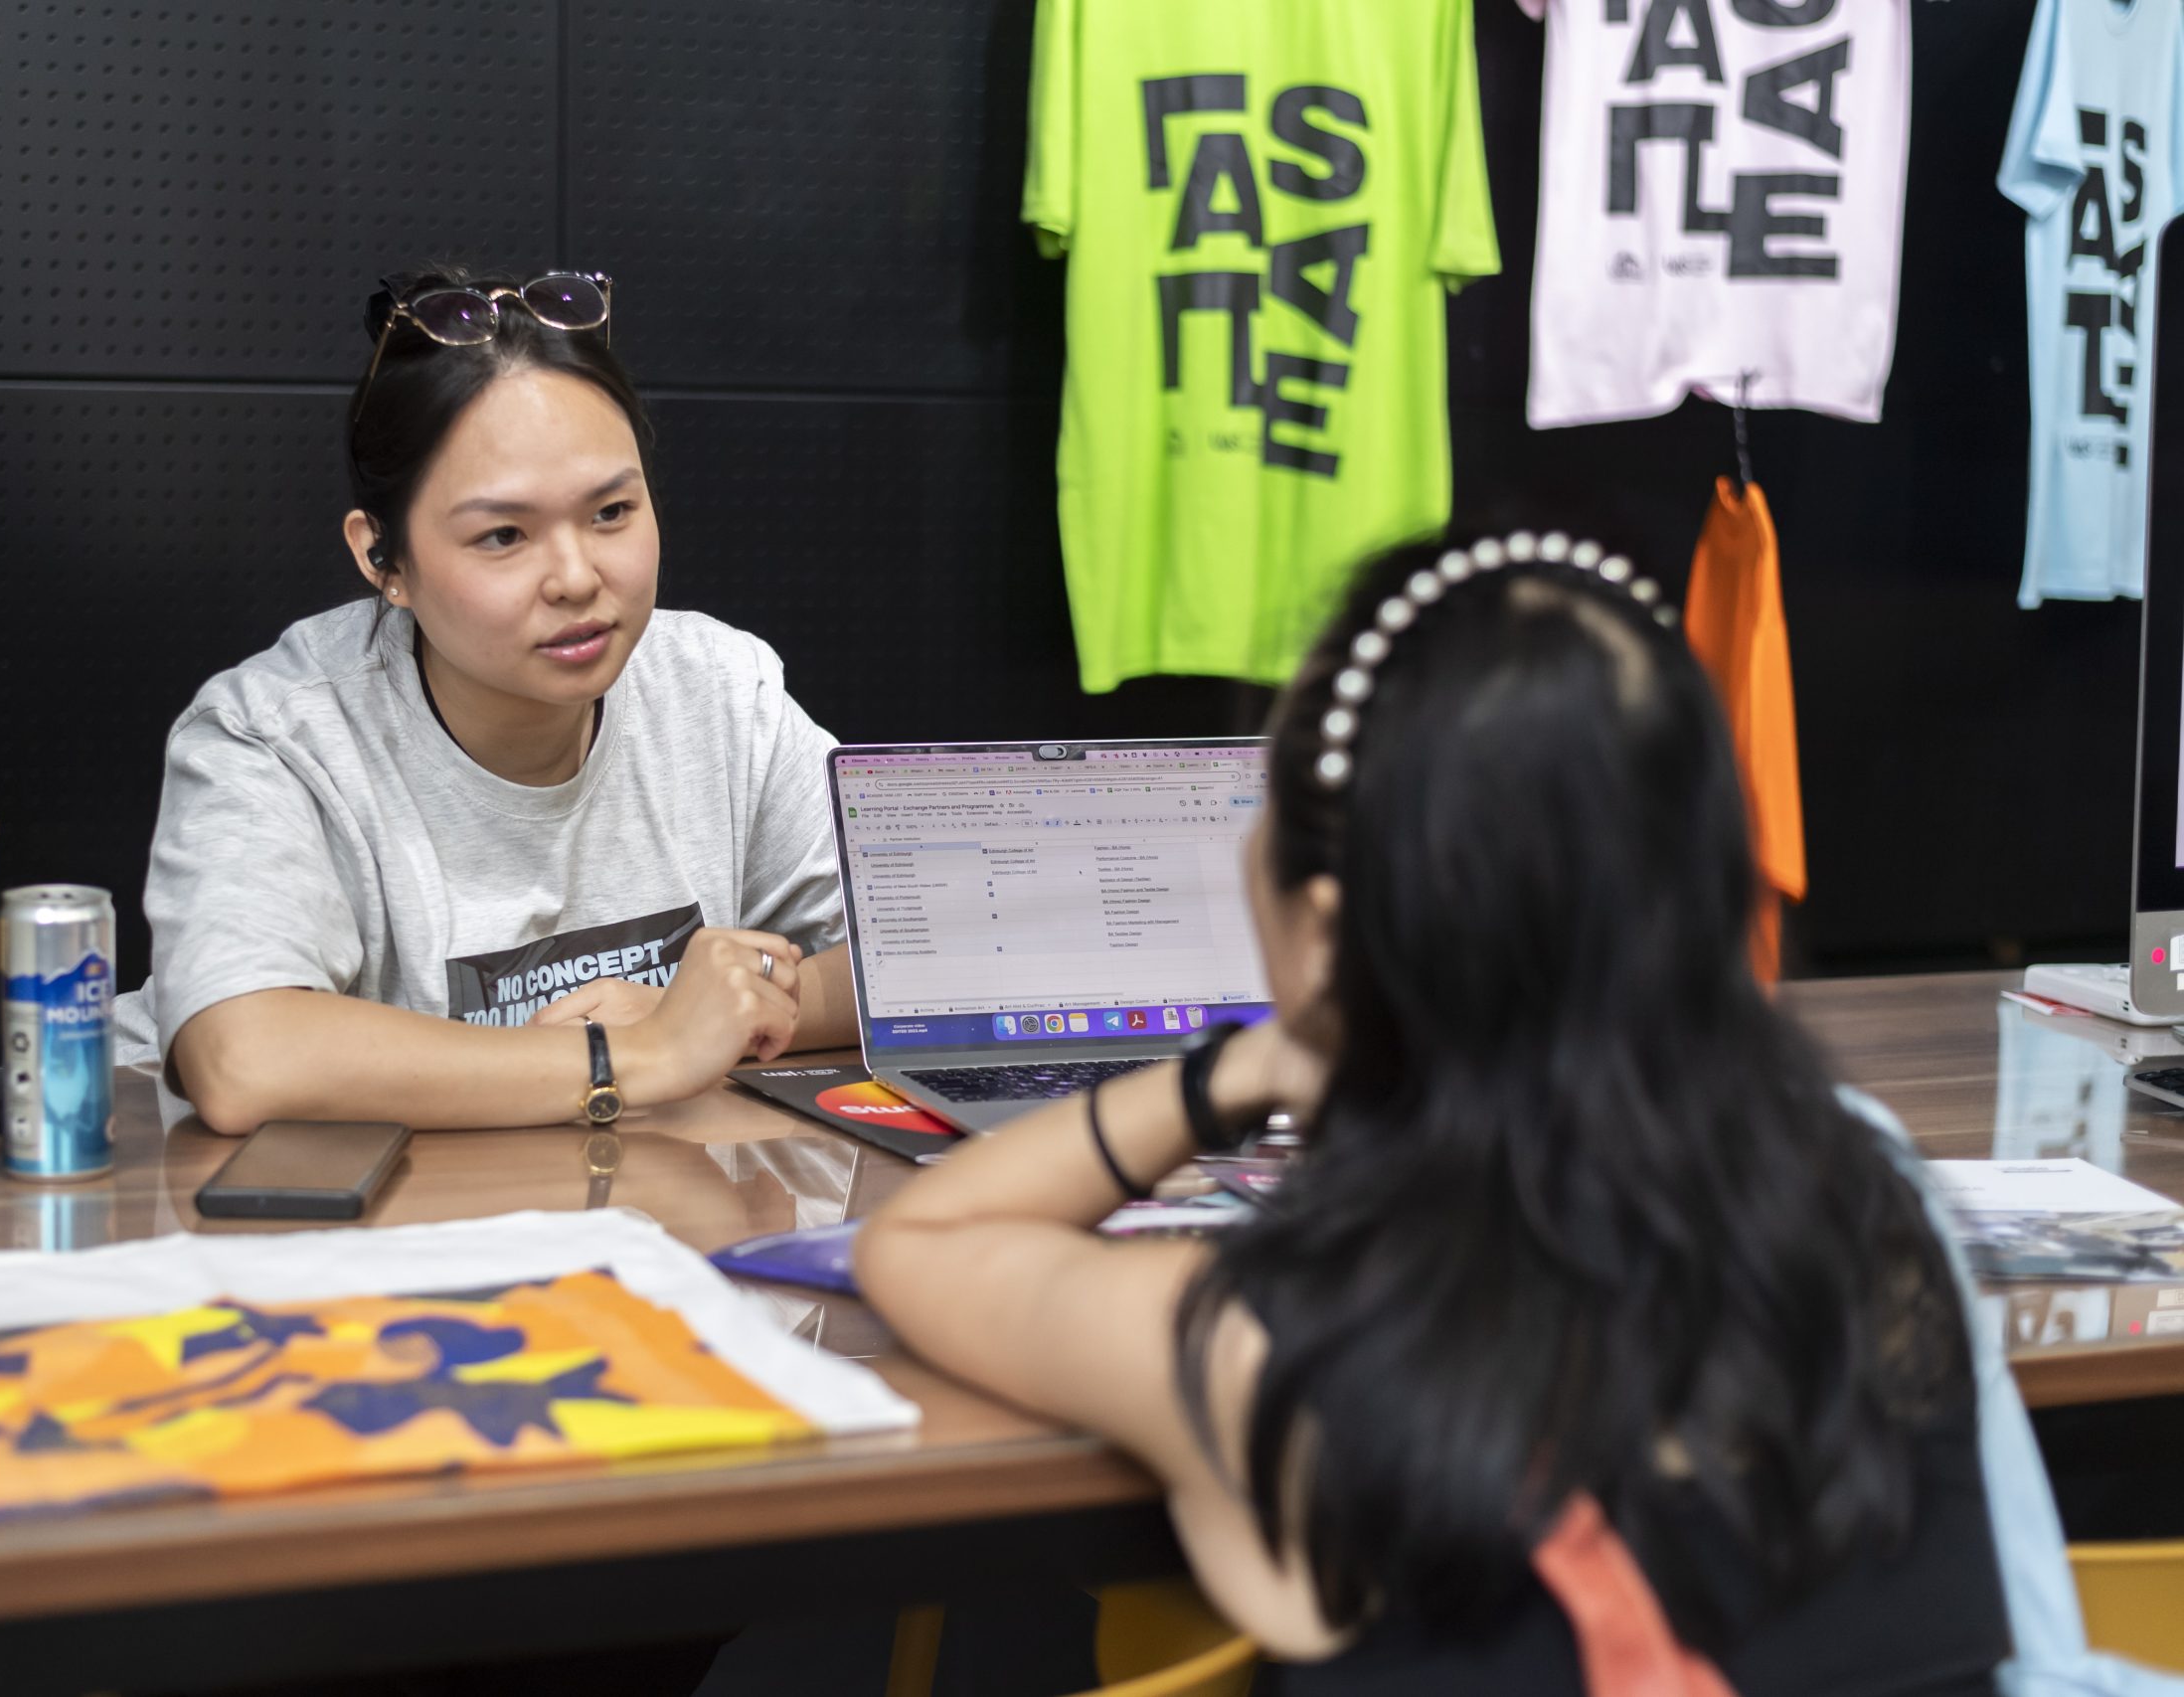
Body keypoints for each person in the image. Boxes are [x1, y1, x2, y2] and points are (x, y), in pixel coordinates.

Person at [855, 531, 2017, 1692]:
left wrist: (1237, 1070)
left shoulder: (1293, 1351)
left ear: (1322, 933)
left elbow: (921, 1242)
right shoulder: (1870, 1237)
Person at [117, 265, 855, 1133]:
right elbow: (243, 1059)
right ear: (382, 560)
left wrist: (728, 1014)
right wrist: (644, 1053)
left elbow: (926, 960)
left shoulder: (721, 690)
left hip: (606, 1211)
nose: (578, 577)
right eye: (503, 535)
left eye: (612, 512)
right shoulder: (274, 734)